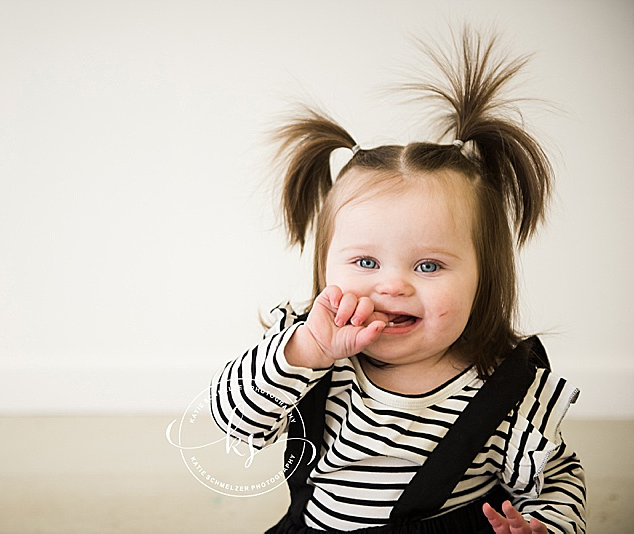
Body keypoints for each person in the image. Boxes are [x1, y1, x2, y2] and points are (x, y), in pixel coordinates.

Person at [210, 29, 586, 534]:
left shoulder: (507, 388)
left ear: (485, 277)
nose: (392, 286)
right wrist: (303, 350)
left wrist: (545, 525)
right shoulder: (308, 358)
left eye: (428, 266)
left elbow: (555, 479)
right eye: (365, 262)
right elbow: (233, 423)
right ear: (325, 267)